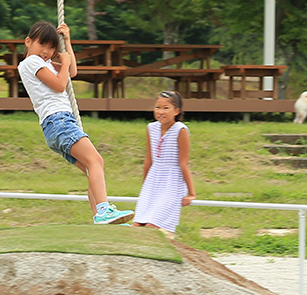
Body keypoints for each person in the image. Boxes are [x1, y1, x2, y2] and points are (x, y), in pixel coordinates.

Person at [19, 20, 134, 225]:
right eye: (42, 45)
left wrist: (67, 42)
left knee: (92, 168)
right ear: (28, 42)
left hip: (55, 125)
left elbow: (71, 72)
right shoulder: (31, 62)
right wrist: (63, 63)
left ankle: (100, 215)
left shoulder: (43, 63)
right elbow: (60, 84)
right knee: (96, 161)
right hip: (58, 120)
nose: (46, 51)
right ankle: (102, 210)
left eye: (51, 47)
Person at [133, 91, 196, 233]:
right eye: (157, 107)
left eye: (166, 108)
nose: (161, 112)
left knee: (151, 226)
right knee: (137, 225)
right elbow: (148, 159)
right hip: (154, 181)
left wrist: (191, 193)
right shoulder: (151, 128)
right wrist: (146, 187)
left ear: (176, 111)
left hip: (172, 182)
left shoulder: (181, 130)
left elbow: (184, 163)